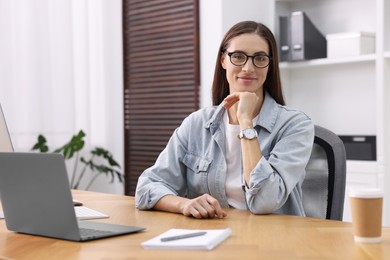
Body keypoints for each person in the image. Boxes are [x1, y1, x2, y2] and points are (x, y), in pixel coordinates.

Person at [135, 21, 314, 219]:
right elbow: (146, 188)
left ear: (269, 65)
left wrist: (245, 120)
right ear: (223, 60)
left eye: (260, 58)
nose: (248, 67)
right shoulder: (196, 124)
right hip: (210, 238)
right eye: (238, 56)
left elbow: (265, 201)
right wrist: (184, 204)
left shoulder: (295, 125)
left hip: (271, 242)